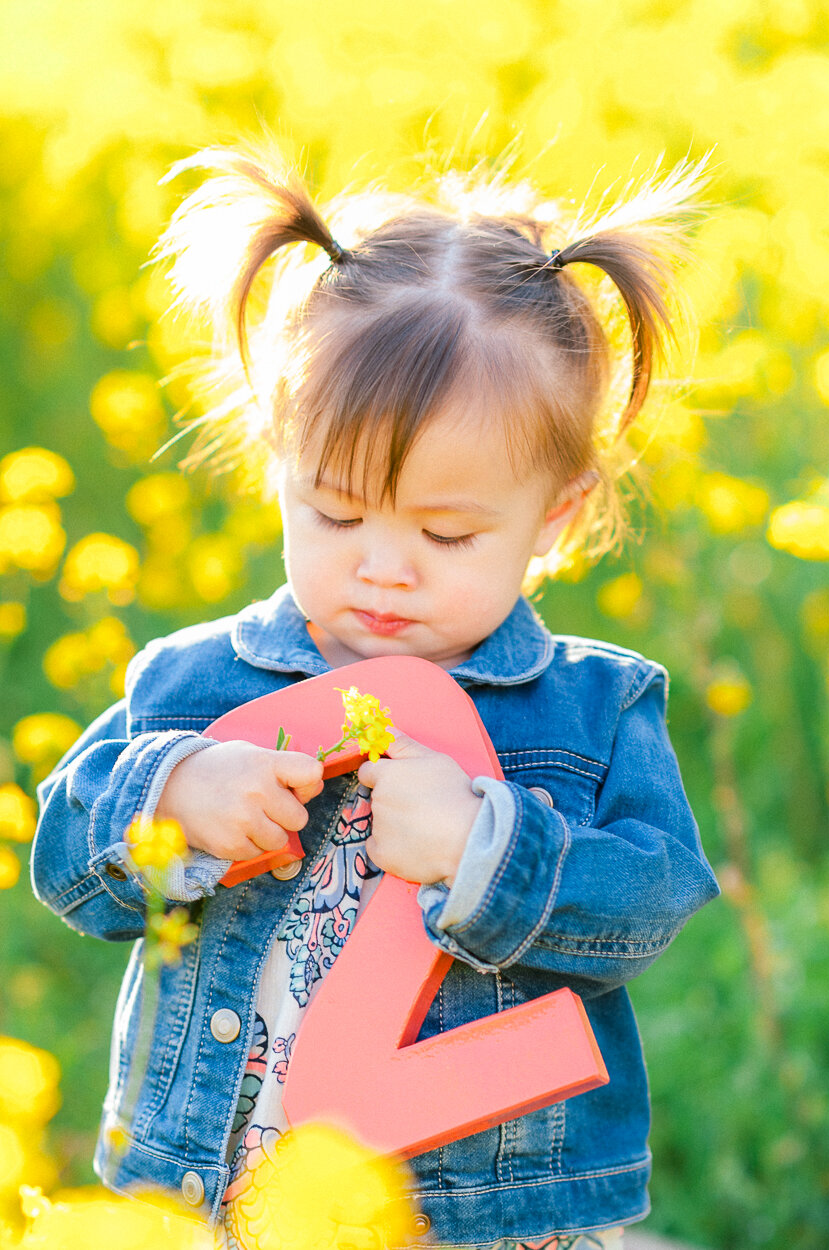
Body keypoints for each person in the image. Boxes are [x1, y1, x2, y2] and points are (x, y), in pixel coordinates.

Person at [31, 140, 720, 1250]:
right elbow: (67, 866)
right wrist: (170, 793)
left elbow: (653, 903)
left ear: (553, 513)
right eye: (338, 514)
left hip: (482, 1214)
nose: (383, 567)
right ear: (277, 460)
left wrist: (484, 845)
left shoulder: (592, 711)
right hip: (231, 1186)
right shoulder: (199, 682)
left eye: (446, 532)